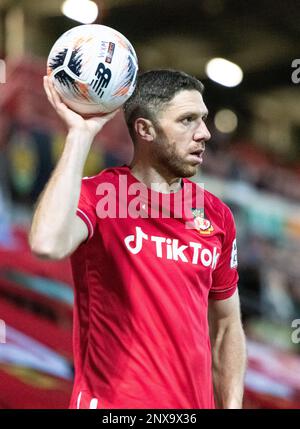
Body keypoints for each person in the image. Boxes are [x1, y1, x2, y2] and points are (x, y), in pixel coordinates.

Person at [29, 69, 247, 409]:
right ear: (145, 129)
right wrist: (80, 134)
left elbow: (226, 327)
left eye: (203, 119)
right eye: (187, 120)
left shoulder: (217, 216)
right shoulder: (100, 196)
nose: (204, 133)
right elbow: (46, 243)